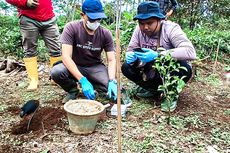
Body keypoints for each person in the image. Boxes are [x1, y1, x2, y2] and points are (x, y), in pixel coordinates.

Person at [121, 1, 196, 112]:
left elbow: (190, 52)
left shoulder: (171, 29)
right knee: (126, 67)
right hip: (150, 69)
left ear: (159, 20)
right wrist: (131, 55)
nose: (145, 27)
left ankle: (171, 93)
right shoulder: (138, 30)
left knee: (184, 66)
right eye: (141, 23)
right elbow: (132, 49)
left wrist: (159, 55)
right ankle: (151, 89)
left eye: (149, 23)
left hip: (168, 71)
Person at [50, 0, 117, 103]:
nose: (95, 22)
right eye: (92, 18)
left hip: (94, 67)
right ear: (82, 15)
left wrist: (112, 80)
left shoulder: (105, 33)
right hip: (75, 65)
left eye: (98, 19)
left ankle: (97, 87)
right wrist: (82, 80)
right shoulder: (71, 28)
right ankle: (72, 90)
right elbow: (66, 57)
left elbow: (112, 60)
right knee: (57, 71)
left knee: (109, 87)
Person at [6, 0, 62, 91]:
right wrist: (25, 2)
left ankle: (56, 78)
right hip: (28, 18)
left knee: (56, 49)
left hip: (49, 17)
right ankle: (33, 80)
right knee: (29, 51)